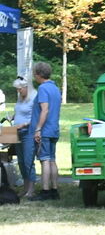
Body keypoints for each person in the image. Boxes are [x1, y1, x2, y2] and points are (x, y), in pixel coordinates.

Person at [30, 62, 61, 200]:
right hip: (54, 128)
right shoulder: (55, 88)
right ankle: (55, 190)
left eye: (34, 74)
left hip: (45, 130)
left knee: (44, 160)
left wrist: (38, 129)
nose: (34, 76)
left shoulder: (43, 88)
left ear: (39, 74)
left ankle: (45, 191)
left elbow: (45, 110)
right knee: (52, 160)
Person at [10, 77, 37, 198]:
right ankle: (25, 188)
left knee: (28, 161)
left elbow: (36, 117)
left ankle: (31, 189)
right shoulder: (20, 98)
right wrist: (13, 117)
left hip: (28, 132)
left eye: (20, 89)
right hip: (17, 132)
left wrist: (24, 124)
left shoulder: (33, 98)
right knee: (20, 161)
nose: (18, 91)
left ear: (26, 87)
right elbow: (19, 111)